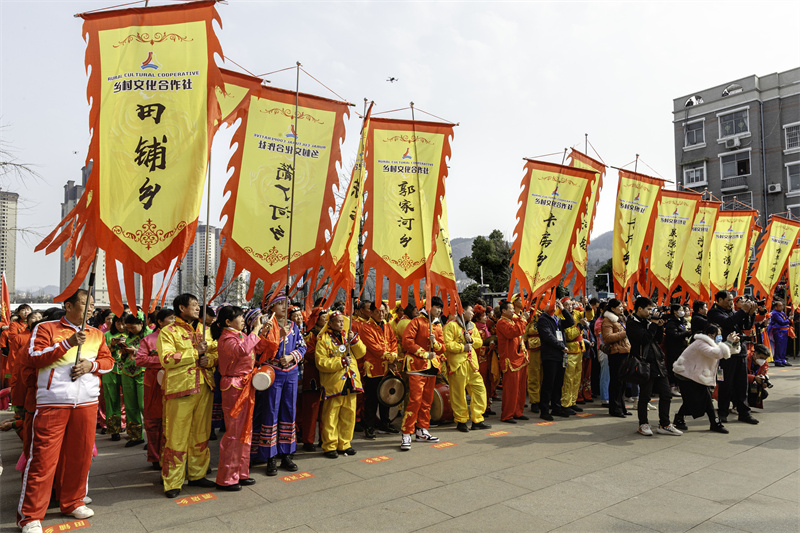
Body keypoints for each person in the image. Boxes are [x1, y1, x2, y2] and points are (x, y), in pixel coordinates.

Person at [17, 290, 113, 532]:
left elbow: (108, 362)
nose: (90, 308)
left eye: (92, 304)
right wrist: (68, 343)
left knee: (80, 457)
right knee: (42, 459)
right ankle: (30, 516)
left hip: (87, 403)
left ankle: (73, 501)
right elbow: (34, 357)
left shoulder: (96, 334)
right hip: (53, 402)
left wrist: (90, 366)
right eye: (84, 303)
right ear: (68, 305)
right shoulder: (47, 329)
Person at [158, 293, 218, 498]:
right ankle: (173, 481)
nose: (197, 308)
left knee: (201, 433)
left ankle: (197, 474)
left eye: (197, 305)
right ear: (181, 308)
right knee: (176, 436)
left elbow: (216, 353)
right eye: (193, 305)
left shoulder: (205, 330)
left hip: (205, 386)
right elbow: (166, 359)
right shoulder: (168, 331)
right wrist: (194, 353)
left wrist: (208, 360)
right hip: (180, 389)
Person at [211, 305, 272, 490]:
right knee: (234, 433)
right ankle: (227, 477)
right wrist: (255, 329)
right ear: (228, 322)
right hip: (234, 386)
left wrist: (264, 331)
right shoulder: (226, 338)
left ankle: (241, 472)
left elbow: (257, 347)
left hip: (245, 385)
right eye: (239, 317)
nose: (243, 320)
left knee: (246, 430)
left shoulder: (239, 335)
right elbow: (242, 351)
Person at [252, 291, 306, 476]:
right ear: (271, 306)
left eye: (286, 303)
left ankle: (286, 453)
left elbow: (302, 346)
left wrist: (291, 356)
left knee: (289, 410)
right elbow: (259, 350)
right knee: (270, 411)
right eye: (280, 303)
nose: (284, 306)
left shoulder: (293, 325)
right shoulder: (266, 326)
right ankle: (269, 456)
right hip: (272, 372)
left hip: (290, 372)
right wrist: (277, 338)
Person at [626, 297, 682, 437]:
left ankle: (665, 424)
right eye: (649, 309)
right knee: (645, 396)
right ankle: (643, 424)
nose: (651, 312)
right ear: (640, 308)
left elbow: (657, 339)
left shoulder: (648, 321)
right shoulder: (632, 322)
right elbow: (644, 339)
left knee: (666, 394)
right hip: (644, 363)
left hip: (657, 362)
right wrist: (653, 324)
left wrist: (659, 326)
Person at [315, 311, 366, 457]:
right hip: (334, 384)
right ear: (329, 324)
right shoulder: (323, 340)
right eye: (337, 321)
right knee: (331, 416)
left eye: (341, 321)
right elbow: (321, 363)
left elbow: (362, 352)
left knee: (349, 414)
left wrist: (354, 340)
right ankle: (330, 446)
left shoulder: (348, 336)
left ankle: (345, 444)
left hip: (351, 380)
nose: (340, 324)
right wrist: (341, 362)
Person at [672, 324, 736, 433]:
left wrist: (734, 342)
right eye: (718, 335)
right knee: (703, 399)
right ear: (710, 335)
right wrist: (729, 342)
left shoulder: (713, 343)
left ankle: (679, 418)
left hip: (696, 375)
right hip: (686, 375)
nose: (720, 337)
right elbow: (715, 354)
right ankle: (715, 423)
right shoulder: (700, 343)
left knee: (694, 400)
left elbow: (726, 352)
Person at [400, 297, 446, 450]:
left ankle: (422, 430)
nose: (439, 310)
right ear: (429, 307)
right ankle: (407, 432)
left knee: (427, 401)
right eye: (436, 307)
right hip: (417, 366)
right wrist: (425, 353)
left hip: (431, 368)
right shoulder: (417, 321)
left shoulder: (437, 325)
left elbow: (442, 348)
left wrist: (436, 343)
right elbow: (407, 342)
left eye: (440, 308)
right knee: (415, 400)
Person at [707, 290, 758, 424]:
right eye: (729, 300)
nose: (731, 303)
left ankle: (744, 413)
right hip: (724, 354)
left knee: (742, 384)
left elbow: (746, 326)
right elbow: (728, 323)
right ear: (719, 300)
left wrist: (750, 313)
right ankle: (723, 413)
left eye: (731, 300)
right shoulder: (714, 312)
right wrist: (743, 310)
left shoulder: (734, 312)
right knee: (725, 384)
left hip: (739, 352)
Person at [135, 307, 174, 469]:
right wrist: (164, 361)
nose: (174, 322)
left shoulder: (178, 338)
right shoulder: (149, 339)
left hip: (174, 384)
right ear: (159, 321)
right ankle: (155, 456)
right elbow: (140, 360)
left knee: (172, 421)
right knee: (153, 422)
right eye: (170, 319)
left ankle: (170, 455)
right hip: (153, 386)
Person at [443, 304, 492, 432]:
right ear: (462, 311)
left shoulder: (472, 326)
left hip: (472, 364)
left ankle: (477, 419)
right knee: (458, 394)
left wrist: (471, 341)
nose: (472, 313)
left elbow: (479, 341)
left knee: (479, 390)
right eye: (470, 311)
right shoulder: (451, 326)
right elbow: (447, 344)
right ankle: (461, 420)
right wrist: (462, 347)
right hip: (458, 364)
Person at [358, 301, 399, 439]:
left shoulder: (387, 325)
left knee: (386, 397)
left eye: (383, 311)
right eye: (378, 311)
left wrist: (393, 355)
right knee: (372, 399)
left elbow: (393, 342)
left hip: (387, 367)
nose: (381, 314)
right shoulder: (366, 328)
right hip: (373, 368)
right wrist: (391, 358)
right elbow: (374, 348)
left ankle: (385, 423)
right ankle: (369, 427)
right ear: (372, 312)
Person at [299, 307, 328, 452]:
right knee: (311, 410)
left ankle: (325, 439)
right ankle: (308, 440)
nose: (327, 320)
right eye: (324, 318)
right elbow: (309, 354)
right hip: (313, 377)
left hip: (327, 376)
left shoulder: (329, 335)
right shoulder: (310, 336)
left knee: (326, 410)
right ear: (317, 320)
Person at [119, 312, 150, 447]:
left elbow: (154, 354)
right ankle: (135, 436)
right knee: (130, 406)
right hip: (127, 373)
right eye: (128, 328)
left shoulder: (150, 336)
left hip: (143, 373)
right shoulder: (128, 338)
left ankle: (152, 438)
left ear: (141, 324)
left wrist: (136, 351)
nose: (130, 330)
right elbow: (123, 359)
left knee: (144, 406)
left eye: (133, 327)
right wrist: (124, 352)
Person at [496, 299, 529, 423]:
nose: (513, 311)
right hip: (510, 360)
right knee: (511, 389)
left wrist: (523, 316)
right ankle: (507, 415)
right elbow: (513, 332)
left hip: (520, 357)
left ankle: (517, 411)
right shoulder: (502, 322)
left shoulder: (511, 319)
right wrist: (523, 319)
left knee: (520, 388)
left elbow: (520, 324)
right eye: (510, 309)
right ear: (504, 311)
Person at [601, 299, 631, 418]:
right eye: (619, 306)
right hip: (616, 353)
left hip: (624, 352)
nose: (621, 308)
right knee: (616, 383)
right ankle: (615, 409)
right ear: (612, 308)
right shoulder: (607, 320)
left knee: (622, 383)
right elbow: (607, 338)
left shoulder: (620, 319)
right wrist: (625, 333)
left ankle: (621, 407)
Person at [103, 313, 128, 441]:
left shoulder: (132, 335)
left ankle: (133, 430)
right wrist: (112, 346)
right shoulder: (106, 335)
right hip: (110, 371)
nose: (121, 326)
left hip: (129, 371)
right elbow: (101, 353)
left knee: (129, 401)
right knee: (111, 400)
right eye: (118, 323)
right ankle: (114, 430)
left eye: (123, 323)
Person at [559, 298, 586, 414]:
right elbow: (569, 335)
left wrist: (586, 303)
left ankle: (573, 401)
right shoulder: (561, 317)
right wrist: (580, 327)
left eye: (570, 305)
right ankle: (565, 403)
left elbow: (589, 315)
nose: (569, 307)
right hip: (569, 351)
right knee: (568, 379)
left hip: (579, 350)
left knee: (576, 378)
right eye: (567, 305)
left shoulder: (576, 314)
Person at [664, 304, 692, 395]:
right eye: (680, 310)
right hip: (674, 349)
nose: (682, 312)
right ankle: (673, 386)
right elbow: (674, 336)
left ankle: (680, 386)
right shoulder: (671, 323)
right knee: (674, 367)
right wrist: (687, 333)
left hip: (683, 348)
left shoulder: (681, 322)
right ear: (675, 311)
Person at [524, 307, 542, 413]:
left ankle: (543, 399)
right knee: (533, 374)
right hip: (533, 347)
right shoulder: (530, 312)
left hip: (546, 347)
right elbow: (524, 331)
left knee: (544, 375)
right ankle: (535, 401)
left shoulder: (548, 312)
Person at [767, 300, 792, 367]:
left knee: (784, 347)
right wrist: (788, 319)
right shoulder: (775, 313)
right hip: (779, 331)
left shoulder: (781, 312)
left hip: (784, 331)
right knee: (779, 346)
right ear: (776, 307)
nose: (782, 307)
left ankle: (783, 360)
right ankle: (778, 360)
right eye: (780, 306)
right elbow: (782, 322)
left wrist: (788, 318)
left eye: (782, 305)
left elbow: (785, 319)